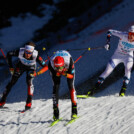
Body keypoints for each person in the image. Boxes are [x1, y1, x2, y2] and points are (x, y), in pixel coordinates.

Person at [87, 25, 134, 97]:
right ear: (128, 33)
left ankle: (123, 89)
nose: (131, 36)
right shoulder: (123, 35)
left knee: (128, 68)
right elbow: (110, 31)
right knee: (107, 71)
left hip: (128, 57)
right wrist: (107, 43)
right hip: (117, 56)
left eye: (133, 35)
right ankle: (93, 90)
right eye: (130, 34)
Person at [0, 41, 47, 110]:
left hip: (31, 67)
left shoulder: (36, 55)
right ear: (24, 50)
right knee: (12, 82)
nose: (28, 54)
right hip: (21, 66)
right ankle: (2, 101)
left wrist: (37, 73)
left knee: (29, 81)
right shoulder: (20, 52)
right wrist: (11, 67)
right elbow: (9, 54)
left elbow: (46, 66)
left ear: (32, 52)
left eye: (30, 53)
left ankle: (28, 103)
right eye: (26, 52)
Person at [36, 50, 78, 121]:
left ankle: (74, 110)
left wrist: (65, 74)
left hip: (66, 67)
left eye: (60, 68)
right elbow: (54, 71)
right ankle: (55, 112)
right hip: (56, 67)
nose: (58, 70)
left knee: (71, 86)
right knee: (55, 87)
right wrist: (57, 72)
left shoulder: (69, 61)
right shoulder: (51, 64)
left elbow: (71, 76)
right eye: (57, 68)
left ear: (63, 65)